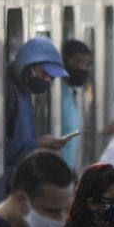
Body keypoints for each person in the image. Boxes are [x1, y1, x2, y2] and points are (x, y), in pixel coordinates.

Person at [5, 37, 70, 185]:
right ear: (27, 65)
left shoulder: (24, 93)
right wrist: (37, 145)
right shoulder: (10, 93)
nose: (47, 79)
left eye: (52, 77)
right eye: (44, 73)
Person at [60, 39, 92, 169]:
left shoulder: (72, 92)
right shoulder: (57, 94)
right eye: (78, 62)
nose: (82, 68)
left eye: (86, 63)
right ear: (65, 61)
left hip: (70, 168)